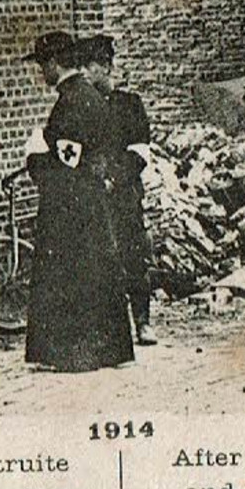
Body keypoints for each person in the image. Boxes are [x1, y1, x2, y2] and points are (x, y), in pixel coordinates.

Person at [22, 31, 135, 372]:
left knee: (71, 275)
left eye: (43, 65)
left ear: (55, 64)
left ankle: (75, 353)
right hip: (93, 199)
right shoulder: (92, 97)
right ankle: (109, 350)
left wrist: (34, 158)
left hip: (71, 204)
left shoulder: (70, 102)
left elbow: (66, 161)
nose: (42, 73)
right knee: (99, 273)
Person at [77, 34, 158, 346]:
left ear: (107, 67)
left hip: (124, 195)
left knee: (134, 257)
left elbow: (140, 153)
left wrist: (114, 179)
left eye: (90, 65)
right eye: (80, 66)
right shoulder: (81, 107)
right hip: (93, 196)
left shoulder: (129, 105)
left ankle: (142, 321)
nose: (84, 72)